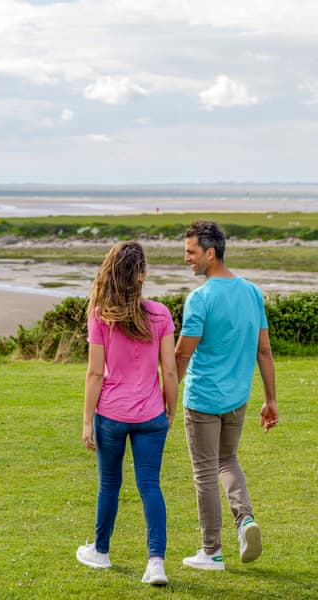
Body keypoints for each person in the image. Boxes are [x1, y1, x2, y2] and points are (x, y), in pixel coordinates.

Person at [175, 220, 279, 571]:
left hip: (203, 400)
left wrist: (164, 395)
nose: (186, 258)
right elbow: (264, 350)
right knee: (227, 461)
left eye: (191, 252)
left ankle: (211, 551)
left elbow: (181, 355)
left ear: (210, 252)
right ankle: (245, 520)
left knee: (205, 472)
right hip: (238, 399)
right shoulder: (251, 292)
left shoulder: (200, 298)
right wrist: (270, 399)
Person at [76, 241, 178, 586]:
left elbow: (94, 373)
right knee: (150, 485)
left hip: (112, 415)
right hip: (151, 415)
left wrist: (87, 420)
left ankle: (101, 552)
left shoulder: (100, 315)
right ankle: (156, 564)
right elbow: (170, 370)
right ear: (142, 274)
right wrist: (171, 407)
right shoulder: (161, 314)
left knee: (109, 484)